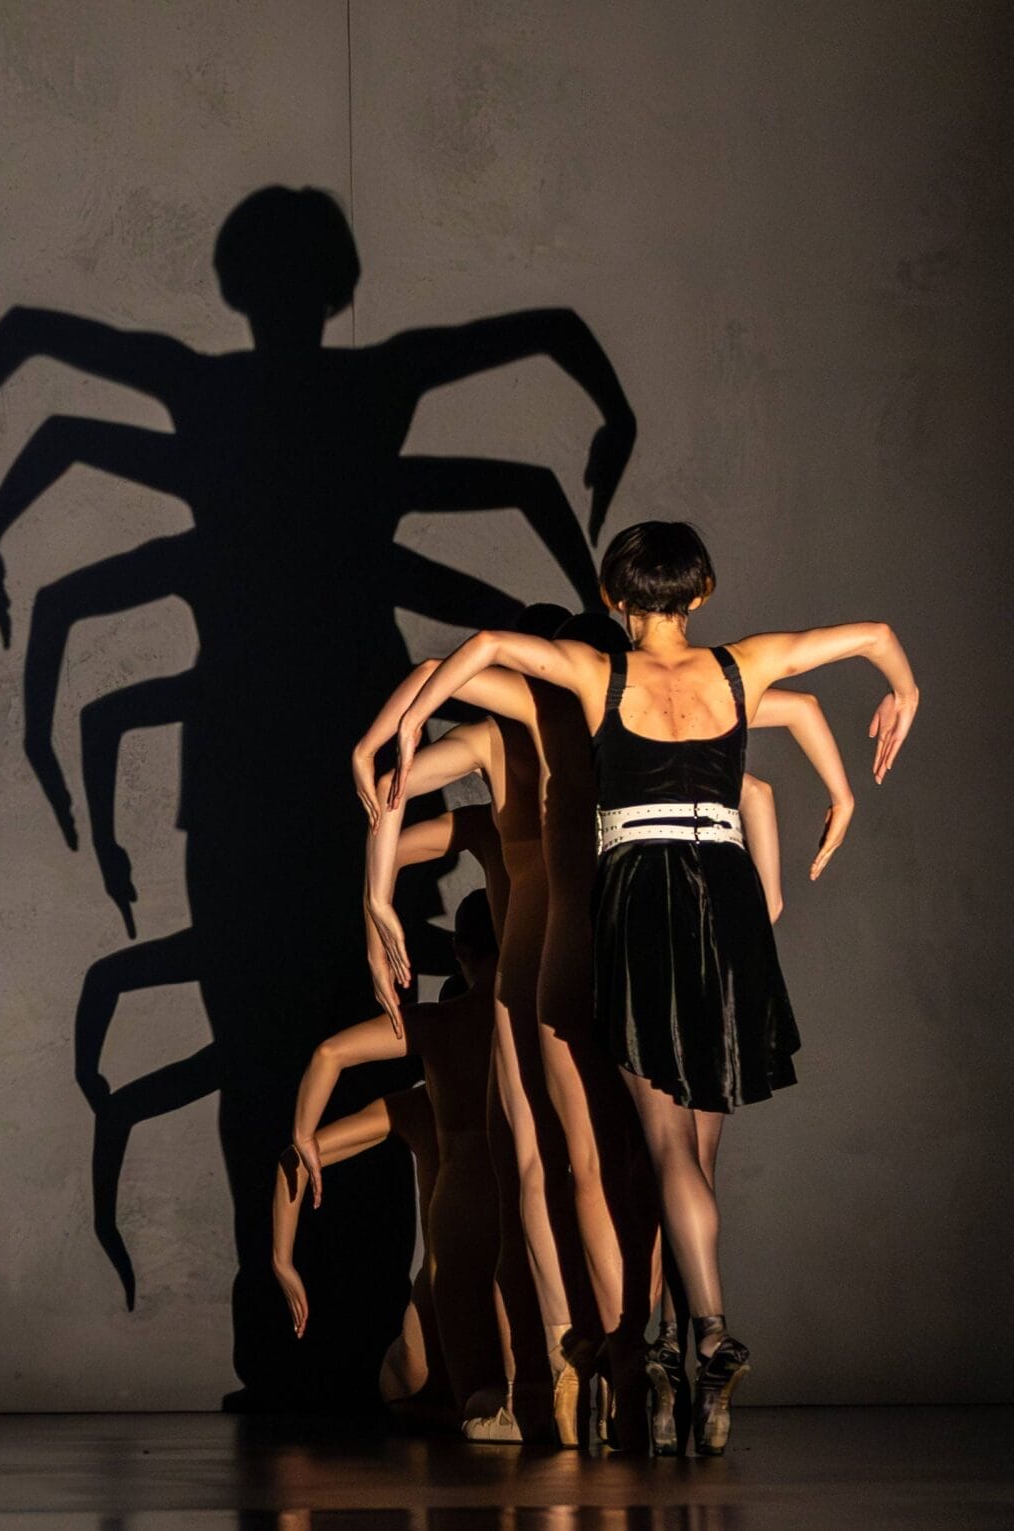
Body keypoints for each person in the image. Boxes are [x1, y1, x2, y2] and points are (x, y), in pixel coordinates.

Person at [381, 521, 917, 1455]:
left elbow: (484, 652)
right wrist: (877, 736)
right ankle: (688, 1339)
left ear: (616, 598)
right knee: (695, 1158)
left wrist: (388, 732)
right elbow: (870, 638)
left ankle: (695, 1335)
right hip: (728, 898)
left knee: (653, 1148)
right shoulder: (740, 667)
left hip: (640, 894)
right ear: (701, 592)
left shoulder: (601, 677)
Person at [275, 889, 507, 1434]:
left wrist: (282, 1260)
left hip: (455, 1242)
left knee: (423, 1390)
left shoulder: (422, 1075)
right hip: (521, 1215)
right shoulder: (534, 1022)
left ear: (462, 954)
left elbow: (326, 1065)